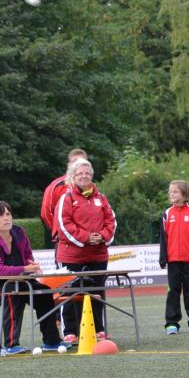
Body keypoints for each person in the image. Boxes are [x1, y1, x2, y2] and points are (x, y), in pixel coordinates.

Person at [55, 158, 116, 344]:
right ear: (73, 176)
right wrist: (86, 238)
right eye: (80, 173)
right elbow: (63, 225)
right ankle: (70, 331)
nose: (84, 176)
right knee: (70, 295)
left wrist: (103, 237)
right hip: (71, 257)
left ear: (92, 175)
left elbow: (111, 221)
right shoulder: (66, 198)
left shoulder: (101, 198)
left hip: (98, 256)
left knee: (97, 293)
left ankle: (98, 329)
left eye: (87, 173)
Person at [0, 201, 69, 354]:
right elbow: (1, 270)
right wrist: (25, 268)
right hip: (3, 283)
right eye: (1, 215)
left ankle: (51, 341)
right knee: (13, 293)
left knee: (45, 293)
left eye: (8, 214)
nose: (6, 218)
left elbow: (28, 256)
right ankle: (11, 345)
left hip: (23, 280)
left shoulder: (19, 232)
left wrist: (31, 264)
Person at [159, 180, 189, 334]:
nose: (171, 194)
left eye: (175, 191)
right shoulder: (167, 214)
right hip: (173, 261)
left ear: (184, 194)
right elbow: (163, 238)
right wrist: (163, 258)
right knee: (173, 291)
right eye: (170, 191)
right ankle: (171, 323)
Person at [41, 148, 88, 242]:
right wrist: (58, 231)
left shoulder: (91, 188)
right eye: (75, 162)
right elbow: (46, 213)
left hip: (86, 239)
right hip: (64, 240)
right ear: (69, 164)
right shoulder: (56, 186)